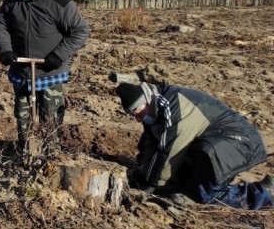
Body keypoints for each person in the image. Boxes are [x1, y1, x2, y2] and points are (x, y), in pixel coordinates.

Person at [116, 81, 274, 209]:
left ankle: (263, 193)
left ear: (146, 101)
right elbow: (152, 144)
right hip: (217, 143)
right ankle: (191, 187)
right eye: (134, 117)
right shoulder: (154, 109)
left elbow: (169, 151)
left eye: (139, 114)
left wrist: (150, 186)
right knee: (183, 181)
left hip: (240, 143)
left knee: (203, 195)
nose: (138, 120)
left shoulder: (173, 107)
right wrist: (142, 174)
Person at [0, 0, 90, 150]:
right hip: (21, 70)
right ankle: (24, 150)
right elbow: (1, 26)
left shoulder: (59, 3)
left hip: (50, 72)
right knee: (22, 115)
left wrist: (58, 55)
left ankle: (50, 153)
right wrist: (5, 50)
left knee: (50, 117)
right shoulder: (11, 1)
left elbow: (80, 31)